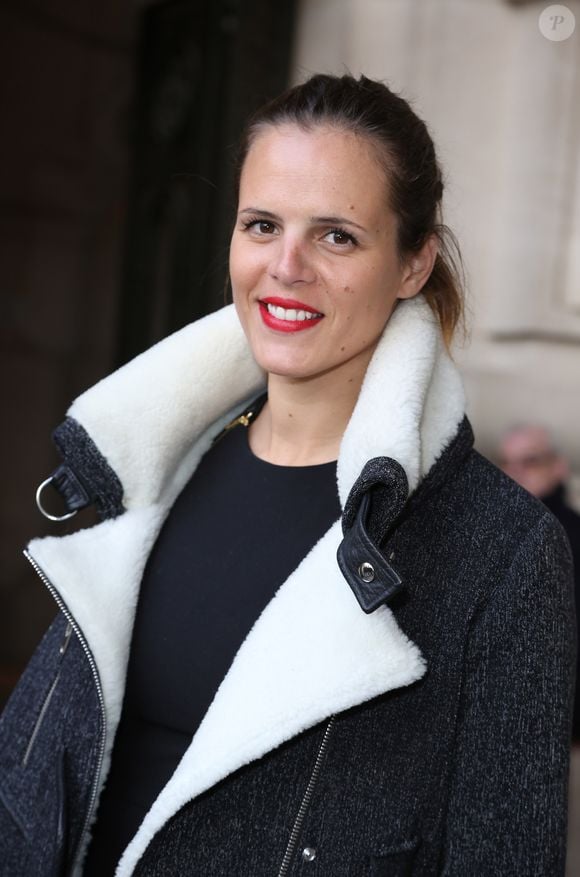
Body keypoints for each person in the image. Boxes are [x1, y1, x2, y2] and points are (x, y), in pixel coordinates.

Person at [0, 74, 575, 877]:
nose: (287, 266)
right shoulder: (146, 467)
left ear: (414, 263)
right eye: (262, 224)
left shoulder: (505, 555)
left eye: (337, 235)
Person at [499, 424, 580, 739]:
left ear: (558, 467)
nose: (516, 472)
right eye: (508, 462)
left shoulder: (570, 535)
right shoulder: (496, 531)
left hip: (562, 726)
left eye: (530, 461)